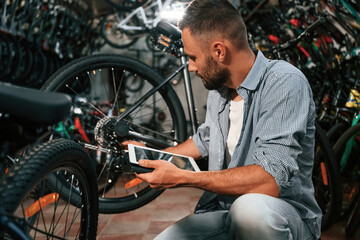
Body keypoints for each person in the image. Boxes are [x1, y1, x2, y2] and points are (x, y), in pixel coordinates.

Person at [123, 0, 322, 239]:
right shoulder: (220, 91)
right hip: (224, 211)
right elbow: (206, 139)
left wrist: (185, 178)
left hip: (280, 216)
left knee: (250, 210)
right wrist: (156, 158)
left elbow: (269, 182)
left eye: (193, 57)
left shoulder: (284, 82)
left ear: (219, 51)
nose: (191, 67)